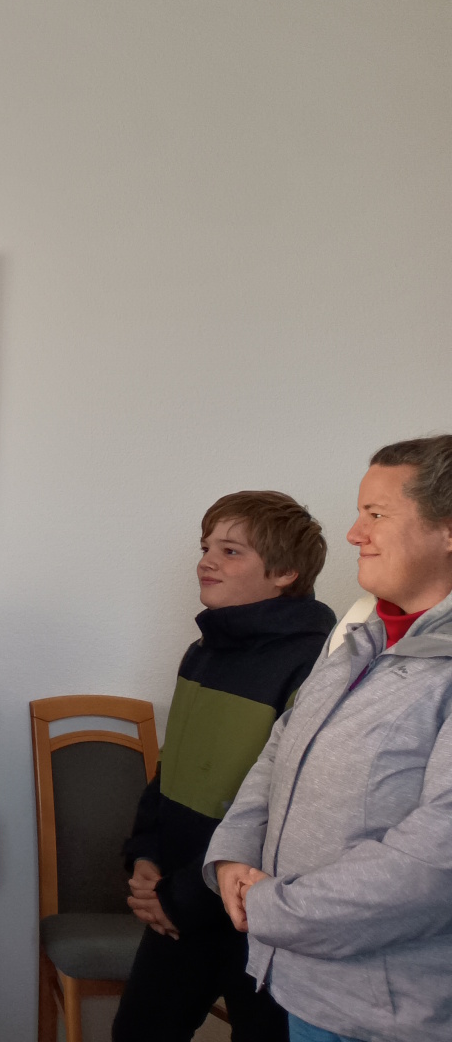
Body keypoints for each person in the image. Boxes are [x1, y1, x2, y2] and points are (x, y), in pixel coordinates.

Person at [205, 436, 452, 1042]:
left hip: (392, 1014)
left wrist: (273, 908)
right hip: (306, 987)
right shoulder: (359, 634)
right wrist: (233, 853)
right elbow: (280, 750)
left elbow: (434, 863)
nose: (354, 533)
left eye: (376, 514)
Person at [113, 491, 334, 1042]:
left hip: (252, 915)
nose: (206, 561)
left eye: (230, 551)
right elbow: (173, 768)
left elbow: (286, 807)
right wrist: (146, 854)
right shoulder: (202, 651)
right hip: (176, 899)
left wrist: (183, 897)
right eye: (206, 547)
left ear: (284, 572)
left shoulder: (317, 664)